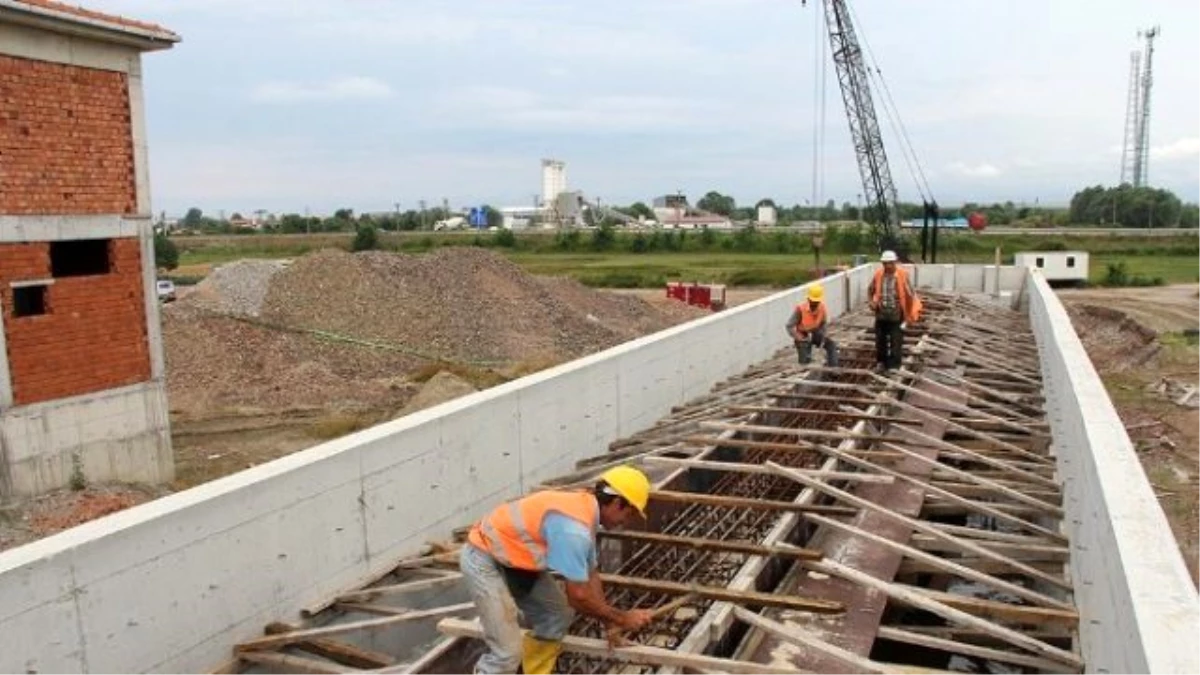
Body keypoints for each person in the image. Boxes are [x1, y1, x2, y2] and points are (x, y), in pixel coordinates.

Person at [460, 465, 657, 675]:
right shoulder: (574, 531)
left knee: (557, 617)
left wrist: (611, 624)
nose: (625, 522)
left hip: (515, 560)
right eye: (629, 514)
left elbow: (590, 575)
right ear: (617, 503)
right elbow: (578, 597)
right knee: (506, 654)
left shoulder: (586, 512)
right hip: (485, 557)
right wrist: (623, 618)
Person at [867, 250, 921, 372]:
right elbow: (870, 289)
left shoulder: (902, 275)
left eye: (890, 263)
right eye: (885, 263)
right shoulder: (879, 274)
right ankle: (881, 363)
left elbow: (910, 295)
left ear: (895, 262)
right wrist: (871, 302)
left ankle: (893, 366)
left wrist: (908, 316)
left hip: (897, 314)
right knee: (880, 341)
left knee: (896, 341)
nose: (887, 266)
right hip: (881, 314)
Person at [786, 284, 839, 367]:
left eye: (817, 301)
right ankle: (805, 362)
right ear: (808, 299)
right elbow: (789, 325)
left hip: (816, 333)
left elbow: (823, 323)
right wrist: (798, 337)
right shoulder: (800, 309)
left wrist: (823, 336)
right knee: (805, 362)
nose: (815, 303)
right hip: (803, 335)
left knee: (831, 345)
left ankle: (834, 369)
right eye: (813, 301)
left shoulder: (822, 307)